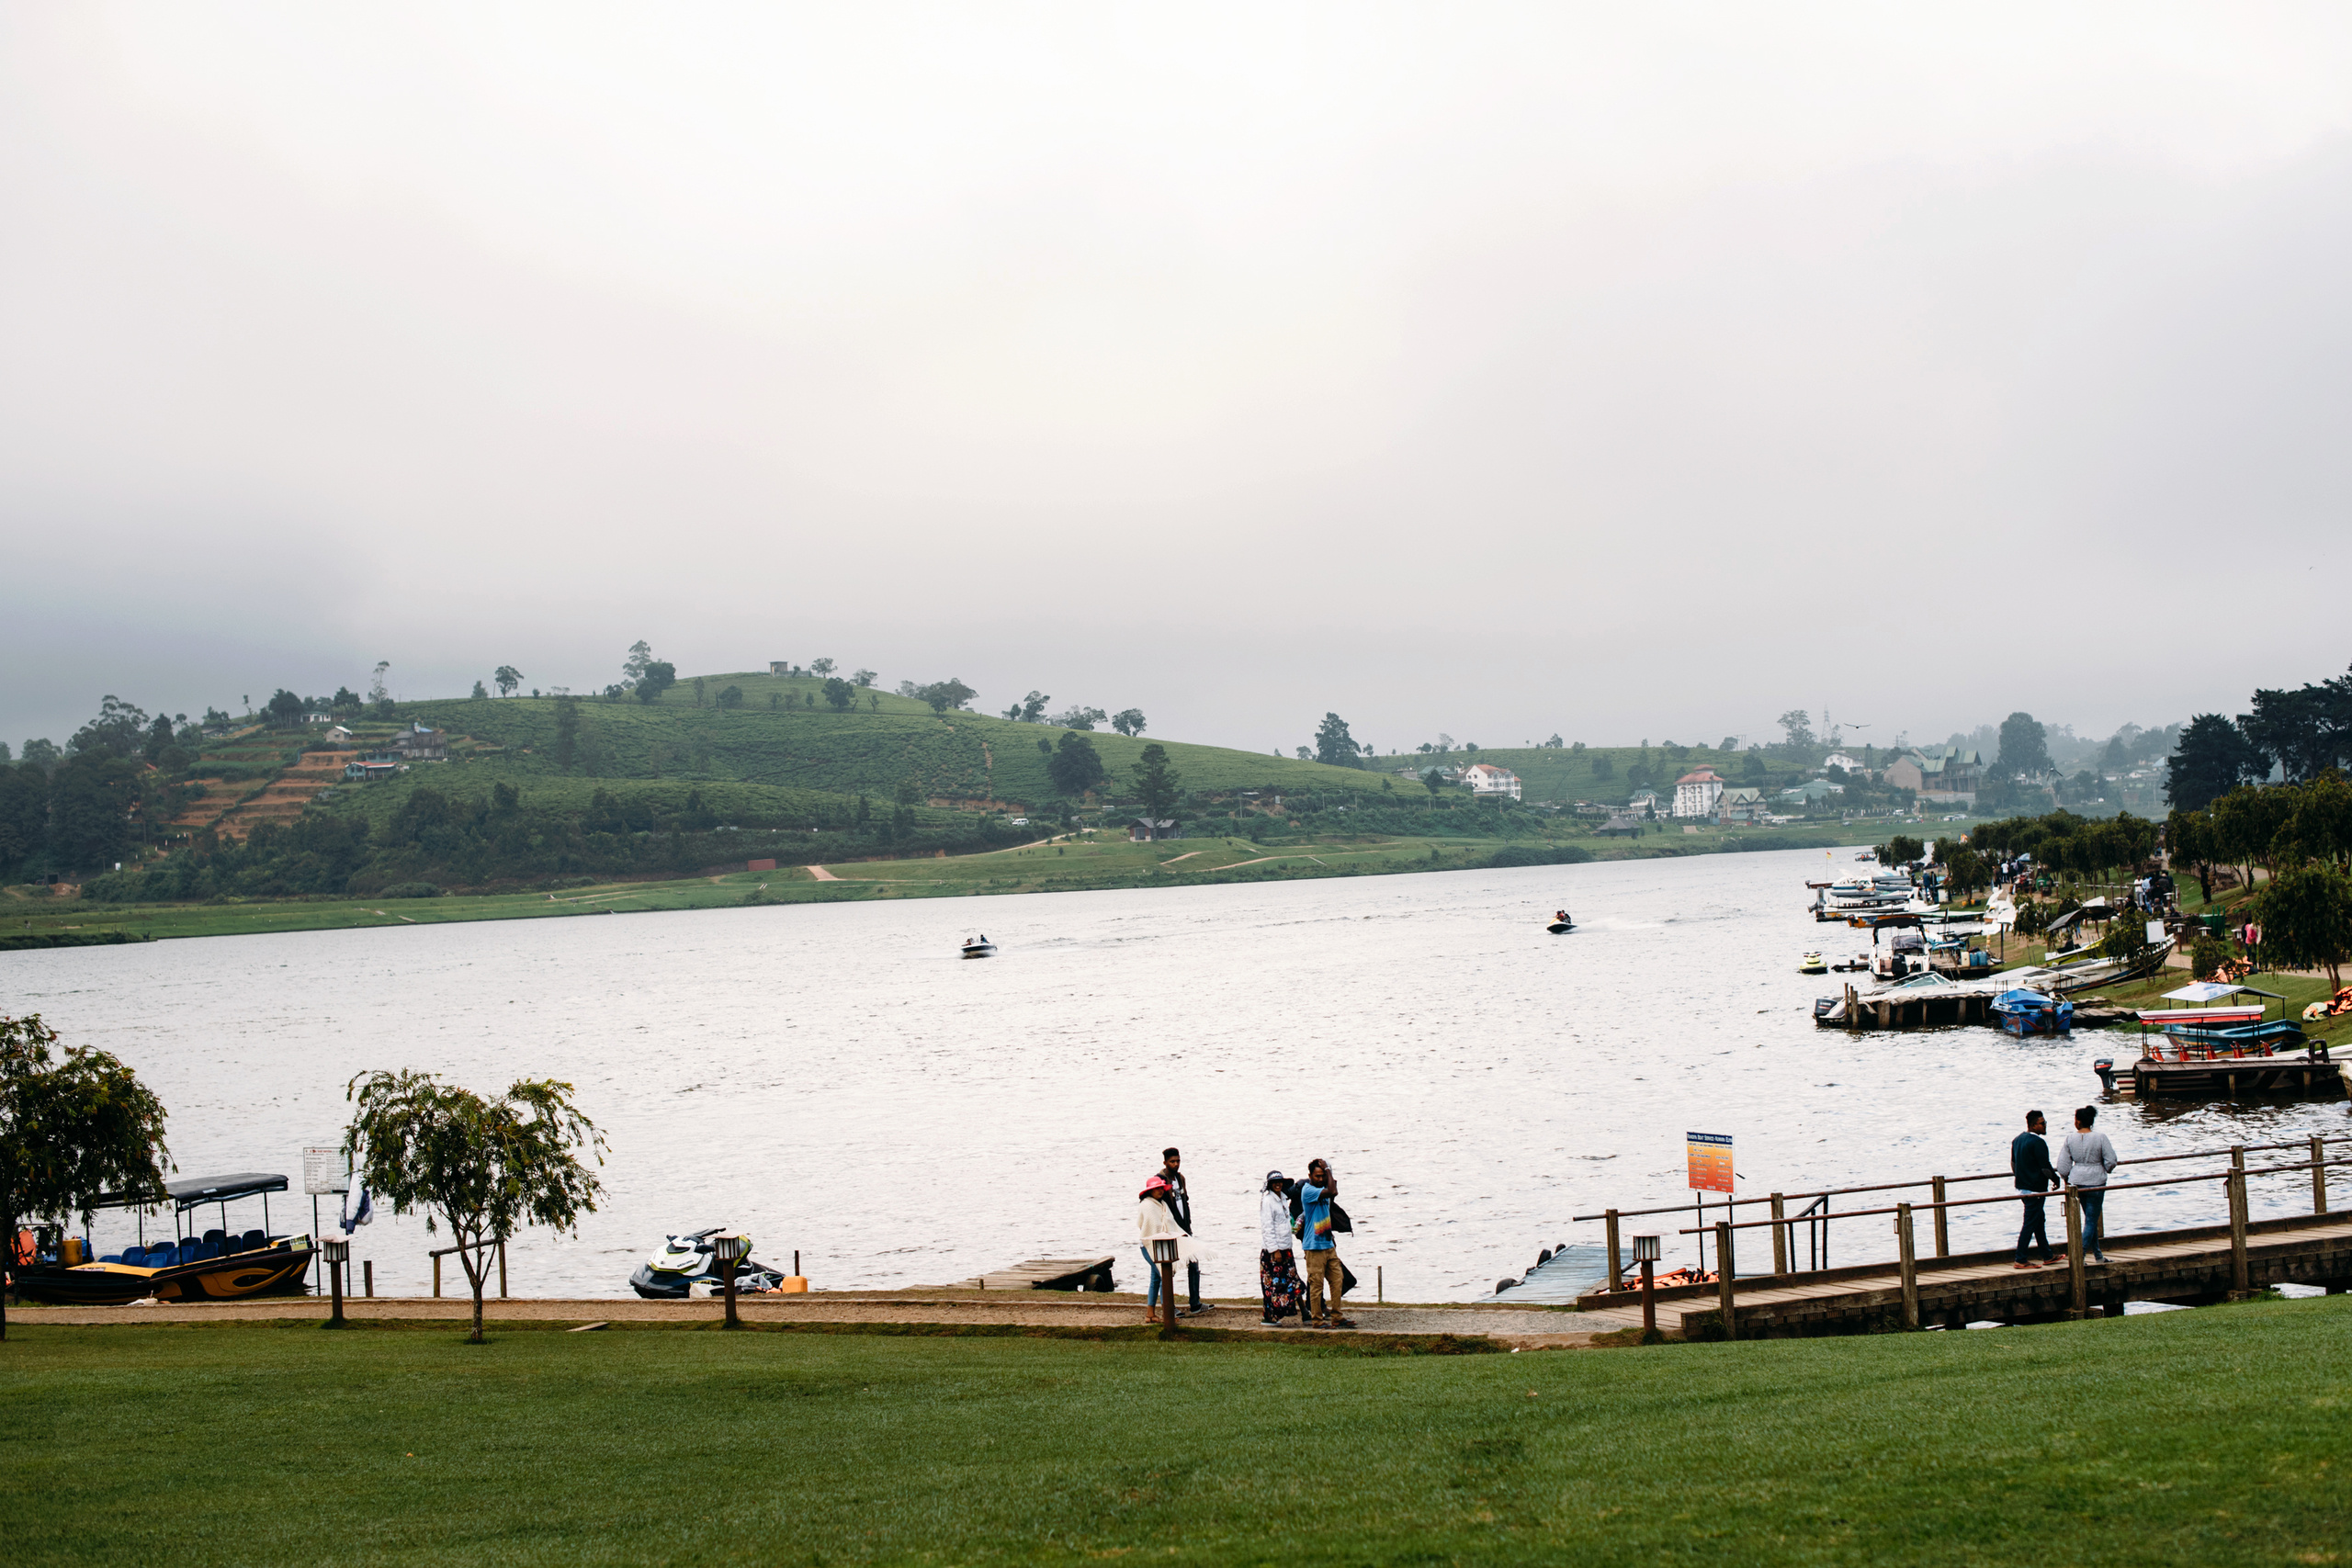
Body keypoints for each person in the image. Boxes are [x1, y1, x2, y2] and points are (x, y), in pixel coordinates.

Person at [2055, 1103, 2118, 1263]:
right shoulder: (2100, 1137)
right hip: (2096, 1180)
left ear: (2078, 1121)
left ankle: (2098, 1255)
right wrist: (2105, 1169)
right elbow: (2111, 1160)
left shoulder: (2070, 1138)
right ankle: (2080, 1256)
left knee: (2090, 1219)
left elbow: (2062, 1165)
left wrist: (2066, 1176)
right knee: (2091, 1220)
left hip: (2077, 1181)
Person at [1296, 1158, 1353, 1327]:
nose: (1320, 1179)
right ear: (1310, 1176)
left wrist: (1329, 1171)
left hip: (1328, 1244)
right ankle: (1317, 1320)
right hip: (1314, 1247)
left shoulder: (1324, 1189)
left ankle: (1337, 1317)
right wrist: (1327, 1169)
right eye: (1317, 1176)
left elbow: (1332, 1191)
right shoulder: (1308, 1190)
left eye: (1323, 1176)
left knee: (1337, 1280)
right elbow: (1332, 1191)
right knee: (1316, 1285)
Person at [1150, 1146, 1204, 1316]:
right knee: (1167, 1270)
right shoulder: (1160, 1180)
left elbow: (1185, 1201)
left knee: (1193, 1264)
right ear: (1165, 1162)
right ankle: (1168, 1307)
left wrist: (1188, 1224)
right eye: (1172, 1161)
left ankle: (1195, 1303)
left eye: (1178, 1161)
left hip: (1185, 1229)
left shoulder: (1180, 1179)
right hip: (1170, 1231)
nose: (1176, 1164)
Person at [1135, 1177, 1190, 1324]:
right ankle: (1167, 1314)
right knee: (1164, 1276)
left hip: (1162, 1247)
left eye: (1161, 1188)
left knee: (1156, 1279)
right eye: (1157, 1188)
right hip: (1148, 1246)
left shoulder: (1163, 1204)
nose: (1160, 1191)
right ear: (1150, 1191)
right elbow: (1147, 1225)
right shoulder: (1147, 1205)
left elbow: (1169, 1223)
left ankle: (1150, 1314)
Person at [2010, 1110, 2057, 1269]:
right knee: (2030, 1223)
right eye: (2042, 1123)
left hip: (2022, 1188)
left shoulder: (2017, 1140)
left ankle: (2047, 1255)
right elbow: (2045, 1167)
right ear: (2033, 1125)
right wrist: (2056, 1179)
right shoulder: (2038, 1142)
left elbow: (2013, 1164)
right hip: (2035, 1189)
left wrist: (2021, 1177)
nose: (2045, 1125)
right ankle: (2020, 1259)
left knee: (2038, 1220)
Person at [1258, 1171, 1304, 1325]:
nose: (1278, 1184)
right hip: (1273, 1252)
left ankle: (1304, 1312)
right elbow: (1267, 1228)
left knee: (1292, 1281)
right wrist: (1274, 1250)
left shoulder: (1283, 1199)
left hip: (1286, 1248)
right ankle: (1270, 1317)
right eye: (1274, 1182)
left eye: (1280, 1181)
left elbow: (1285, 1222)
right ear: (1270, 1185)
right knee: (1273, 1286)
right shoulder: (1268, 1201)